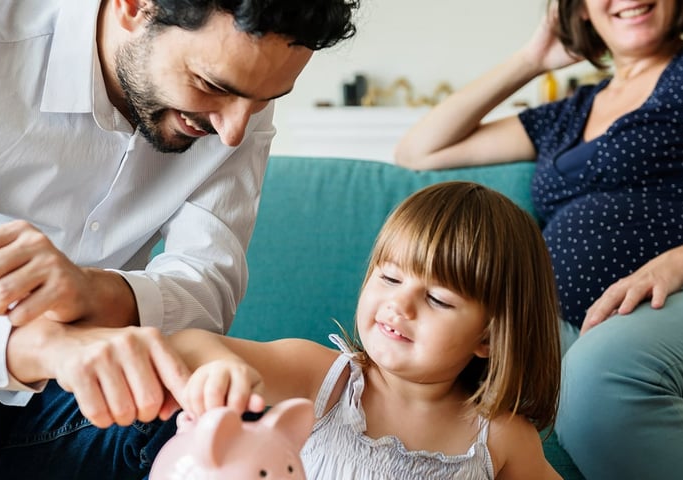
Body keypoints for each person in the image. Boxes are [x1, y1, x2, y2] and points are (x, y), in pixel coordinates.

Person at [0, 0, 357, 478]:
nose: (232, 132)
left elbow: (207, 287)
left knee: (226, 431)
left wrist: (95, 291)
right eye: (211, 86)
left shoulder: (240, 107)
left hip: (85, 408)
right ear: (135, 7)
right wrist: (44, 346)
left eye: (262, 102)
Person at [394, 0, 683, 478]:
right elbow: (417, 151)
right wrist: (531, 58)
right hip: (573, 324)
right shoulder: (568, 113)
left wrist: (675, 264)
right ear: (580, 9)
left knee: (597, 382)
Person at [160, 181, 563, 479]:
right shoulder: (324, 380)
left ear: (489, 337)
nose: (399, 305)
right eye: (389, 278)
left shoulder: (502, 438)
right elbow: (187, 344)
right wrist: (221, 368)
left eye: (437, 299)